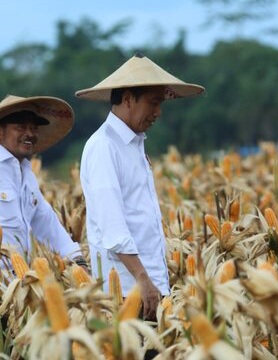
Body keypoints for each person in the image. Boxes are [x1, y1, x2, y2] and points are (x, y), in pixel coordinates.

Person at [76, 53, 205, 320]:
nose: (158, 112)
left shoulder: (135, 144)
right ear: (127, 99)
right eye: (153, 102)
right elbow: (113, 226)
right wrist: (142, 279)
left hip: (150, 285)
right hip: (125, 290)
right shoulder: (104, 147)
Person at [0, 95, 87, 269]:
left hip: (17, 285)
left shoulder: (26, 175)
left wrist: (76, 258)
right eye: (20, 127)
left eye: (33, 128)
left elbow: (46, 223)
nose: (30, 134)